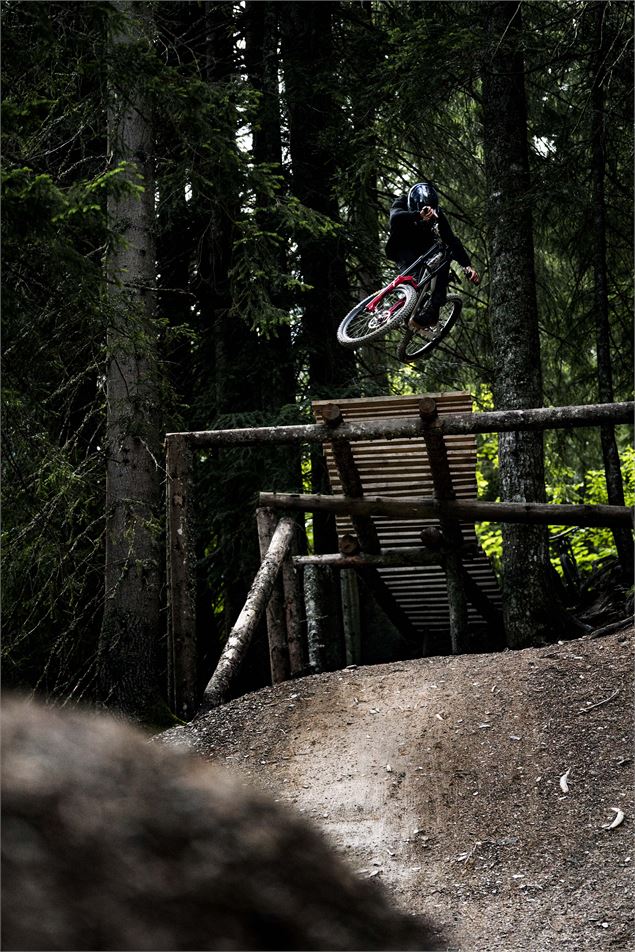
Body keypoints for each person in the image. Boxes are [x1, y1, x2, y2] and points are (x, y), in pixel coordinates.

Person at [385, 181, 480, 330]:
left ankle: (432, 310)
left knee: (445, 255)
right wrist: (418, 215)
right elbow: (395, 218)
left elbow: (452, 240)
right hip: (402, 248)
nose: (428, 215)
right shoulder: (402, 201)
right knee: (413, 282)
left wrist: (467, 265)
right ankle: (404, 308)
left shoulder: (437, 214)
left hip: (424, 251)